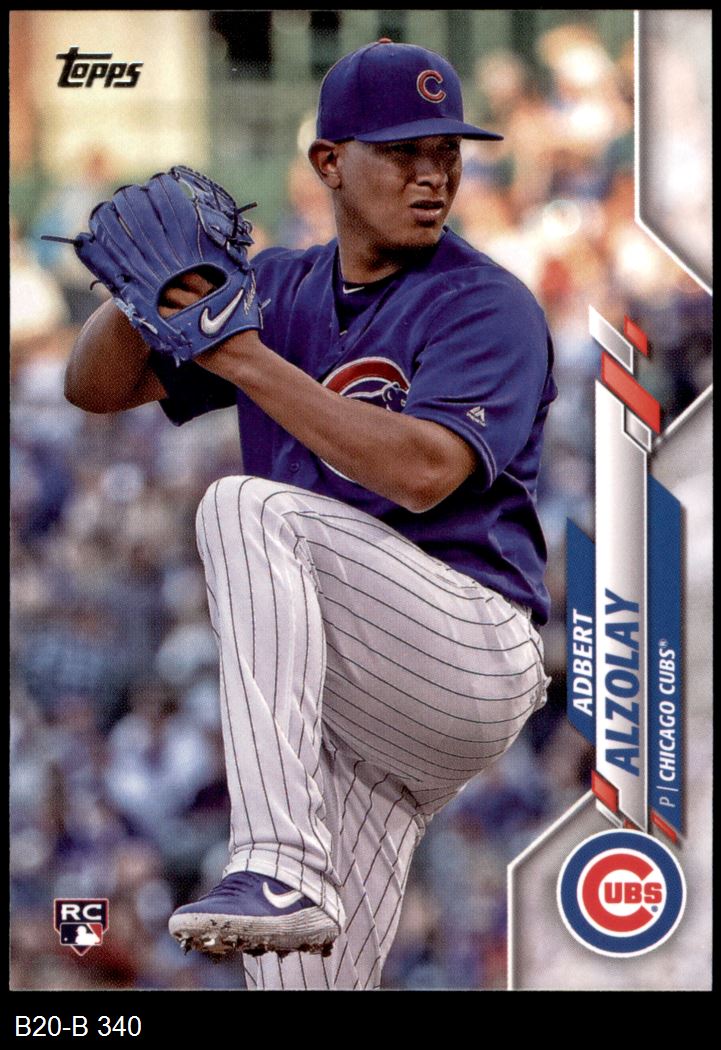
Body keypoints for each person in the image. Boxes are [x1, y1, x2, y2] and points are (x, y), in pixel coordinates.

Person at [64, 40, 557, 991]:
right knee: (295, 978)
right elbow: (96, 389)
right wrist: (140, 296)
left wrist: (242, 357)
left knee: (246, 507)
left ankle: (277, 863)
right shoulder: (281, 288)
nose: (433, 173)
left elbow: (423, 473)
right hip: (357, 709)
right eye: (403, 151)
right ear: (328, 162)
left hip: (467, 645)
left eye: (446, 151)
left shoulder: (484, 302)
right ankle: (287, 884)